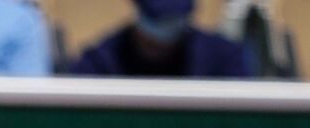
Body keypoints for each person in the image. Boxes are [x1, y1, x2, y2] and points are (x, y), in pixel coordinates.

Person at [67, 0, 255, 78]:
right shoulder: (100, 63)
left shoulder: (224, 59)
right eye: (157, 20)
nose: (160, 40)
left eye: (172, 21)